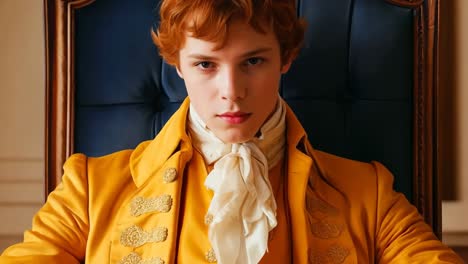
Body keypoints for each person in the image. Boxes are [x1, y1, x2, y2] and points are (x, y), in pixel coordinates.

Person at [0, 0, 463, 263]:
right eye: (205, 64)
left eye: (253, 62)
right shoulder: (89, 188)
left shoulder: (369, 193)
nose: (231, 93)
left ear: (286, 59)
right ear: (177, 65)